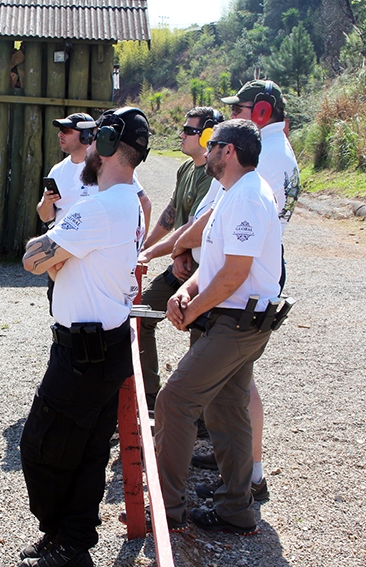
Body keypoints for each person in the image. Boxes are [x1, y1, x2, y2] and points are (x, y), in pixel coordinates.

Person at [17, 107, 150, 567]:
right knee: (88, 451)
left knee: (39, 446)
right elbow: (55, 256)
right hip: (104, 345)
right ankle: (72, 541)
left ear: (110, 145)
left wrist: (54, 252)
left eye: (95, 138)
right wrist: (60, 254)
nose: (88, 147)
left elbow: (32, 260)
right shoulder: (130, 200)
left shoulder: (98, 206)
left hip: (83, 352)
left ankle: (61, 535)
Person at [154, 119, 282, 536]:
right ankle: (236, 508)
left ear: (229, 152)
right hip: (236, 320)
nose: (206, 151)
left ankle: (168, 510)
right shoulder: (235, 193)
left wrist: (189, 311)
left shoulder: (245, 196)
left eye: (213, 144)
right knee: (227, 410)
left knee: (175, 402)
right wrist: (183, 292)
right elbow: (212, 267)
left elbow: (234, 275)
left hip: (235, 323)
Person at [188, 80, 301, 501]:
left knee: (235, 381)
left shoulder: (265, 154)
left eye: (242, 108)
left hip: (246, 266)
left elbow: (229, 215)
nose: (234, 116)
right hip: (251, 260)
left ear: (262, 112)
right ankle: (239, 467)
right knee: (233, 380)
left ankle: (249, 473)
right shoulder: (276, 149)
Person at [137, 107, 222, 409]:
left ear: (208, 134)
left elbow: (195, 227)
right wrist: (145, 248)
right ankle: (147, 396)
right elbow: (171, 216)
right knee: (141, 315)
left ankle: (199, 415)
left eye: (189, 130)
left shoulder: (212, 177)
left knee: (200, 341)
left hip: (202, 268)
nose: (182, 135)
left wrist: (172, 252)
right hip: (183, 263)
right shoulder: (186, 169)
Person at [39, 113, 152, 313]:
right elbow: (45, 216)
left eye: (66, 130)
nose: (60, 135)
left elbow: (143, 203)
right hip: (62, 253)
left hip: (96, 258)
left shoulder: (110, 170)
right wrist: (47, 204)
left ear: (85, 136)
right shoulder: (58, 170)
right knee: (61, 313)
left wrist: (136, 248)